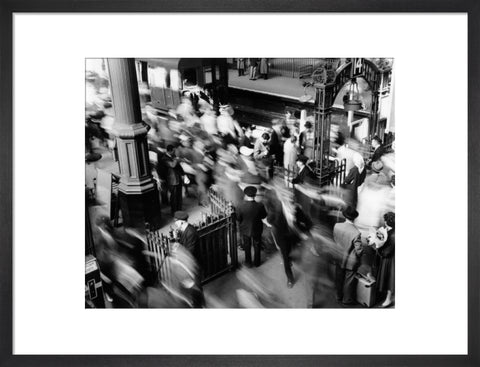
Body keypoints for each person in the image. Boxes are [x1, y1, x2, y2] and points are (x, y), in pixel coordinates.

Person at [263, 187, 295, 288]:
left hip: (290, 232)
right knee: (285, 256)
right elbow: (270, 221)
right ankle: (290, 278)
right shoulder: (274, 210)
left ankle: (288, 258)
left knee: (289, 249)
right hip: (281, 234)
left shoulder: (288, 205)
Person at [333, 206, 364, 305]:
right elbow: (359, 250)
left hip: (338, 256)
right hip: (350, 261)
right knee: (348, 281)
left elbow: (335, 239)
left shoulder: (337, 226)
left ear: (345, 216)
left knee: (339, 277)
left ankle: (338, 296)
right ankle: (347, 300)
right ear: (354, 218)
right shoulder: (356, 232)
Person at [236, 186, 267, 267]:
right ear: (255, 195)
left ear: (245, 195)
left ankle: (248, 263)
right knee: (257, 245)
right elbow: (264, 216)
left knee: (247, 246)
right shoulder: (260, 205)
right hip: (257, 229)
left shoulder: (240, 206)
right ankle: (257, 263)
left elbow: (238, 218)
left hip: (245, 229)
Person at [376, 212, 395, 307]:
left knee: (390, 278)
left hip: (390, 259)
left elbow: (388, 251)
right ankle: (386, 296)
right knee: (388, 277)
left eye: (385, 220)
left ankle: (388, 299)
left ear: (387, 221)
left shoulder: (393, 235)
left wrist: (378, 248)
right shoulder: (389, 230)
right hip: (388, 257)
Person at [161, 145, 183, 215]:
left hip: (178, 179)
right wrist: (177, 158)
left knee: (179, 196)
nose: (174, 152)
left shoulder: (172, 157)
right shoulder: (164, 158)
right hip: (172, 181)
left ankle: (179, 210)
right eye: (173, 151)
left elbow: (178, 167)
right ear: (170, 151)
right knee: (174, 197)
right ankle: (174, 212)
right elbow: (172, 165)